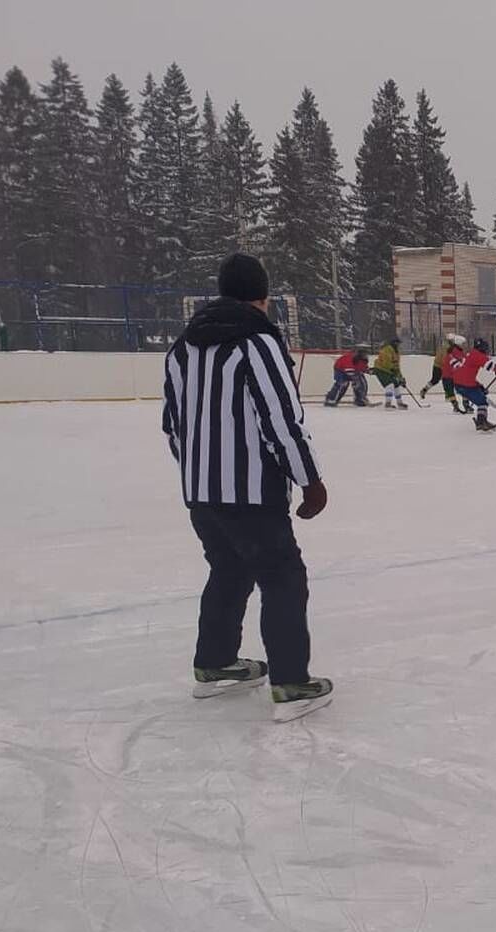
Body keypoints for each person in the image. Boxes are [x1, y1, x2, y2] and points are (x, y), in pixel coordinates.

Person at [162, 253, 333, 723]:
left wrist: (198, 475)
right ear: (262, 297)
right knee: (282, 577)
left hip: (200, 492)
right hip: (251, 493)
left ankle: (215, 663)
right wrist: (309, 479)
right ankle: (291, 682)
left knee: (229, 571)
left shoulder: (181, 349)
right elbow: (280, 419)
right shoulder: (257, 344)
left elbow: (172, 426)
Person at [452, 335, 496, 432]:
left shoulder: (470, 354)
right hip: (465, 385)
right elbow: (490, 366)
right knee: (482, 402)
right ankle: (481, 423)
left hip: (459, 384)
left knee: (481, 397)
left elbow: (465, 374)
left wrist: (478, 385)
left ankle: (481, 420)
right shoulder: (478, 355)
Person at [425, 336, 465, 411]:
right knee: (437, 380)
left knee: (448, 383)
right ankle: (424, 390)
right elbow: (445, 359)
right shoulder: (447, 347)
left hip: (445, 367)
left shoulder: (451, 348)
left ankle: (449, 396)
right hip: (439, 366)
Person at [373, 336, 410, 410]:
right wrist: (393, 370)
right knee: (389, 385)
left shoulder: (396, 352)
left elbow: (397, 366)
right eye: (397, 343)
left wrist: (400, 378)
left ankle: (400, 403)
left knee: (397, 384)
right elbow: (386, 363)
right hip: (381, 369)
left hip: (389, 370)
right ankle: (388, 404)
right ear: (393, 343)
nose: (399, 345)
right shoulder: (387, 350)